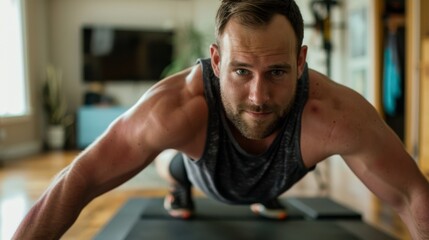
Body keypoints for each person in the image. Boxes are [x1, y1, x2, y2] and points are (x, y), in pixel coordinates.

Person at [13, 0, 429, 239]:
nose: (258, 96)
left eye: (277, 73)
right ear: (216, 60)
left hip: (279, 175)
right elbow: (78, 179)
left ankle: (262, 191)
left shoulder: (333, 114)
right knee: (173, 162)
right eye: (241, 71)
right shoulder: (178, 108)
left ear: (301, 61)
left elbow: (413, 196)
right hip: (196, 168)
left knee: (269, 163)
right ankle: (179, 187)